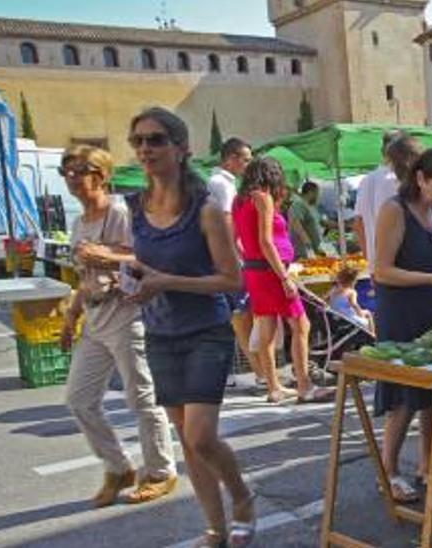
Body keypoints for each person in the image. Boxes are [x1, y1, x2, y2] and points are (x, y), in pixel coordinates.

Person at [122, 107, 254, 548]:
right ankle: (215, 528)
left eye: (156, 140)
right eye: (138, 140)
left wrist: (165, 281)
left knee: (201, 435)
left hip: (206, 330)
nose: (145, 148)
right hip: (159, 331)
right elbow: (136, 265)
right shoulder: (133, 209)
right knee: (187, 439)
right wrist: (123, 279)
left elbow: (232, 281)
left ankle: (241, 496)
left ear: (181, 149)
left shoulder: (208, 210)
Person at [59, 145, 177, 508]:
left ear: (102, 175)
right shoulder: (79, 222)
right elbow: (84, 276)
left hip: (126, 313)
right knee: (79, 399)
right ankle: (118, 466)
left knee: (142, 396)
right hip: (95, 318)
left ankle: (161, 471)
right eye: (67, 171)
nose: (72, 177)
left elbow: (149, 259)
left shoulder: (122, 213)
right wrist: (71, 316)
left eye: (81, 170)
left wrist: (106, 256)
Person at [372, 148, 432, 503]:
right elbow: (381, 271)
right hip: (401, 312)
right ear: (420, 178)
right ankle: (390, 472)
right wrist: (430, 280)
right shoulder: (393, 210)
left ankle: (428, 467)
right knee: (404, 399)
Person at [232, 158, 332, 405]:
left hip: (255, 272)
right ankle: (304, 386)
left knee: (267, 328)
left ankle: (274, 387)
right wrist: (284, 276)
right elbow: (266, 241)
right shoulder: (262, 198)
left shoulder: (239, 200)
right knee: (301, 325)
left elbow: (234, 239)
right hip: (272, 272)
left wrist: (248, 260)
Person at [206, 138, 266, 391]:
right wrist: (239, 257)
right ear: (230, 159)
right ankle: (262, 373)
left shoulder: (219, 183)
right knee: (243, 317)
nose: (248, 164)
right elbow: (229, 222)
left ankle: (262, 372)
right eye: (245, 158)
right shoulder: (223, 184)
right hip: (231, 260)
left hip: (225, 258)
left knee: (243, 317)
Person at [353, 131, 420, 271]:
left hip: (379, 267)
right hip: (402, 267)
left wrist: (370, 260)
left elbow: (358, 225)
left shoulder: (366, 180)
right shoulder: (398, 181)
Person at [326, 263, 373, 333]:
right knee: (368, 313)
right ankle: (372, 335)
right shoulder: (351, 292)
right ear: (353, 281)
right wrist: (360, 314)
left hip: (335, 317)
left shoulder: (333, 290)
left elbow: (326, 299)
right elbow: (354, 305)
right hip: (348, 319)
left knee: (358, 312)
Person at [288, 181, 326, 259]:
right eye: (317, 193)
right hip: (303, 251)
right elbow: (295, 222)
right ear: (310, 192)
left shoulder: (311, 206)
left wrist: (341, 224)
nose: (318, 196)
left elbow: (321, 222)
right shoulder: (299, 204)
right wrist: (307, 242)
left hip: (314, 250)